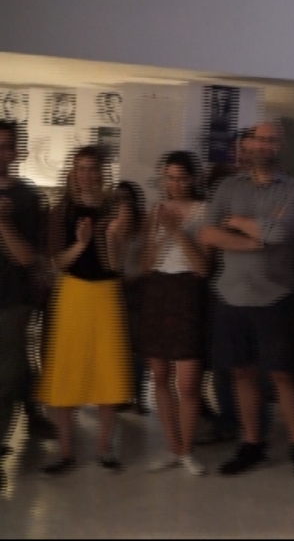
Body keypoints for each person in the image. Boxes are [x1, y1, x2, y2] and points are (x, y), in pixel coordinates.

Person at [198, 121, 294, 483]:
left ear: (280, 145)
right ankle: (252, 443)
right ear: (248, 145)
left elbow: (281, 232)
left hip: (275, 297)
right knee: (242, 372)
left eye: (271, 140)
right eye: (258, 140)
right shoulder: (227, 187)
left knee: (283, 374)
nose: (264, 145)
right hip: (231, 295)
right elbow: (208, 233)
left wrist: (235, 221)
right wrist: (257, 238)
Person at [38, 145, 133, 474]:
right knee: (67, 370)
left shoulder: (115, 207)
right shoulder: (61, 210)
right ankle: (66, 451)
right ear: (73, 173)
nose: (86, 175)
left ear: (102, 172)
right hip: (73, 294)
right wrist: (81, 242)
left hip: (106, 293)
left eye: (93, 168)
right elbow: (58, 262)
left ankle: (105, 448)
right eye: (81, 168)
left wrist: (112, 235)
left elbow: (117, 265)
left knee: (108, 368)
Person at [139, 151, 209, 476]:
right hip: (158, 289)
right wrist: (160, 230)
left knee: (189, 382)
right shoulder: (155, 210)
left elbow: (203, 267)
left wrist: (177, 230)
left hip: (187, 291)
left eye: (181, 178)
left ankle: (187, 449)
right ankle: (172, 446)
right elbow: (145, 264)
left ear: (192, 179)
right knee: (159, 375)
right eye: (170, 178)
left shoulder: (204, 211)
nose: (175, 184)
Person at [0, 120, 44, 489]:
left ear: (15, 152)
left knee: (7, 379)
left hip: (11, 301)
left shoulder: (27, 199)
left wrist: (2, 222)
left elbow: (26, 257)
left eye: (5, 146)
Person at [113, 180, 149, 417]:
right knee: (117, 344)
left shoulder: (144, 224)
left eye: (127, 198)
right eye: (118, 199)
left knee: (137, 345)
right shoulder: (110, 225)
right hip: (113, 287)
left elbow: (148, 257)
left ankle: (138, 395)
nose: (123, 203)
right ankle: (118, 394)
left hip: (138, 287)